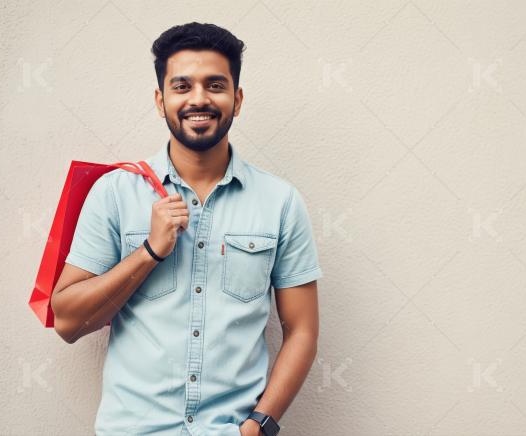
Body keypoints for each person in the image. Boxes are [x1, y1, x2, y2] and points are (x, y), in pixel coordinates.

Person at [50, 22, 322, 436]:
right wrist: (150, 252)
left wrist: (257, 427)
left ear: (238, 98)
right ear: (161, 100)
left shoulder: (280, 202)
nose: (199, 99)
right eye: (182, 86)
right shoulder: (115, 193)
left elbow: (301, 330)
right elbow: (68, 322)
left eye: (215, 85)